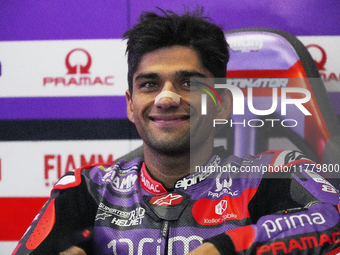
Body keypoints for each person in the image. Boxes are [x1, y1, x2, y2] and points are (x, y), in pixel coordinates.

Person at [13, 8, 340, 255]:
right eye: (150, 84)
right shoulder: (87, 189)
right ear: (130, 104)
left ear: (223, 103)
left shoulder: (270, 174)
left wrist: (228, 247)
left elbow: (333, 216)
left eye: (188, 83)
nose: (166, 98)